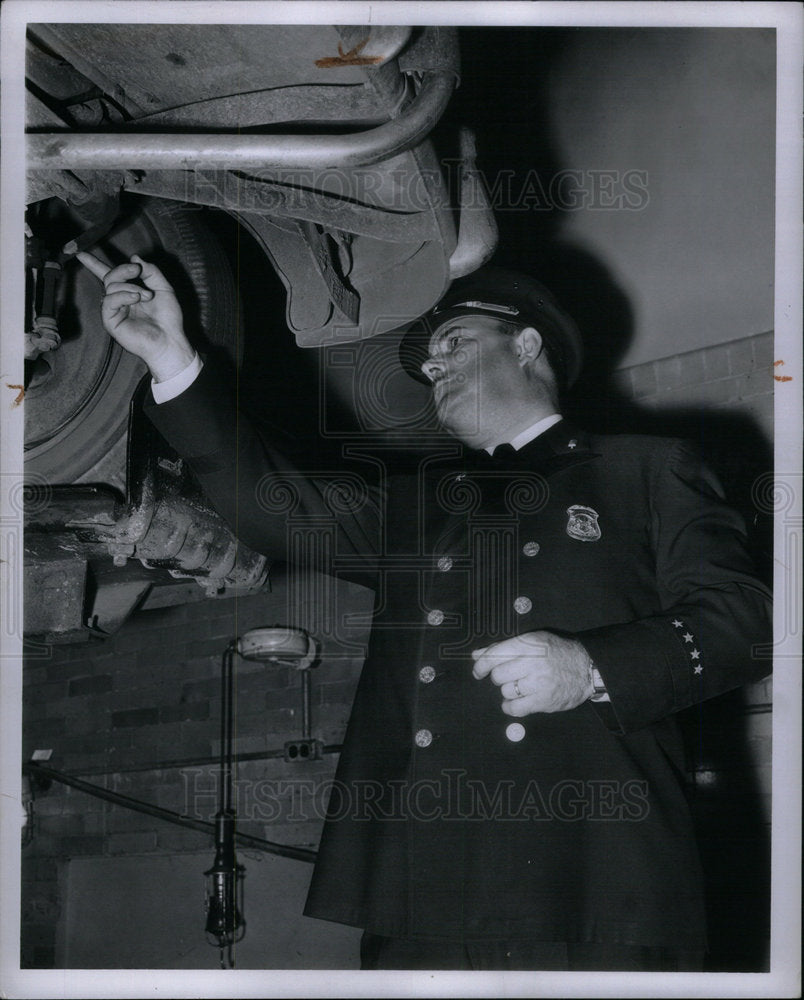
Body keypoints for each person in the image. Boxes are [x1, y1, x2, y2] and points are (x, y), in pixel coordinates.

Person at [79, 251, 772, 972]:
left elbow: (745, 621)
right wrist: (174, 357)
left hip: (593, 883)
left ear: (527, 346)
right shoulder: (419, 504)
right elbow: (271, 502)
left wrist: (591, 667)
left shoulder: (648, 469)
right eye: (428, 357)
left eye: (453, 343)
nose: (431, 365)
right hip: (423, 894)